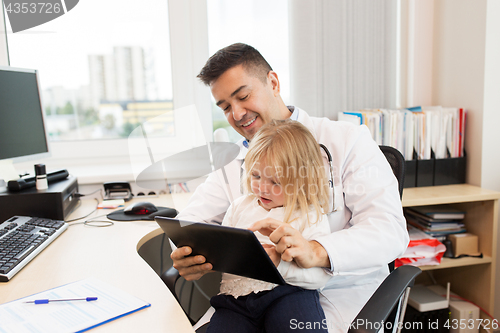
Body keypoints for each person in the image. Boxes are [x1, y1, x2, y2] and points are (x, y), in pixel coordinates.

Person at [171, 43, 409, 332]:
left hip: (342, 295)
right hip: (248, 302)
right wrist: (188, 255)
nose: (236, 113)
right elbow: (189, 224)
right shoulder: (233, 161)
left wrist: (316, 250)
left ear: (273, 82)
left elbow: (389, 230)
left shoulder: (347, 140)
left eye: (243, 96)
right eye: (224, 107)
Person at [207, 119, 330, 333]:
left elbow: (319, 278)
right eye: (255, 175)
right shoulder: (239, 207)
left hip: (290, 294)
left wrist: (278, 265)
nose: (262, 188)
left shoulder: (310, 215)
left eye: (275, 182)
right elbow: (223, 251)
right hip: (236, 300)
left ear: (302, 180)